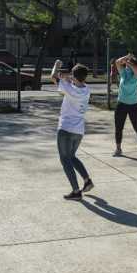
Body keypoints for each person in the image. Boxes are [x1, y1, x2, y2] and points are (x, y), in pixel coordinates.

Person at [51, 60, 93, 201]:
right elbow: (76, 82)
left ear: (74, 77)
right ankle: (87, 180)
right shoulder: (87, 90)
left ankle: (76, 191)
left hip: (66, 129)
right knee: (72, 157)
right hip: (79, 130)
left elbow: (53, 76)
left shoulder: (69, 88)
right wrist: (70, 78)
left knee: (65, 159)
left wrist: (56, 65)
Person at [113, 54, 137, 157]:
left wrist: (129, 62)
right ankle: (118, 149)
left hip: (134, 105)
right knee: (118, 128)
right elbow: (117, 62)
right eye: (126, 65)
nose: (126, 66)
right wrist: (127, 57)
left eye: (129, 64)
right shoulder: (124, 73)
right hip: (121, 104)